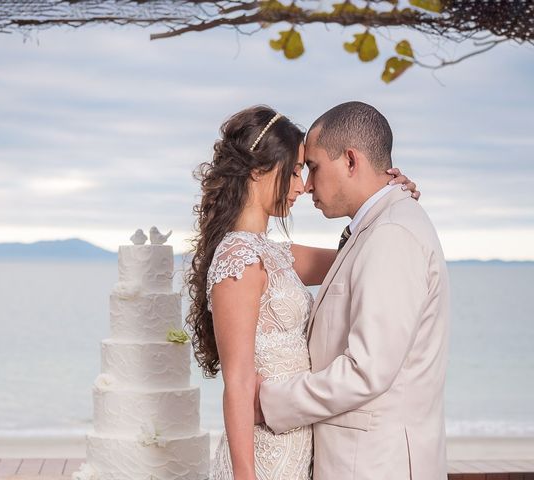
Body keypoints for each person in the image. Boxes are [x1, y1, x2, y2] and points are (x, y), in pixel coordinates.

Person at [185, 104, 420, 480]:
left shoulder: (280, 254)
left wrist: (386, 197)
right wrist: (246, 476)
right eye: (295, 171)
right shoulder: (238, 260)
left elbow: (360, 255)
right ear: (259, 169)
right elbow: (240, 383)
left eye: (304, 170)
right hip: (264, 451)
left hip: (300, 444)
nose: (302, 186)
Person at [255, 101, 449, 480]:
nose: (307, 185)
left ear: (350, 161)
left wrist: (270, 402)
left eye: (312, 167)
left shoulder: (392, 234)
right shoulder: (380, 228)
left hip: (375, 466)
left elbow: (366, 371)